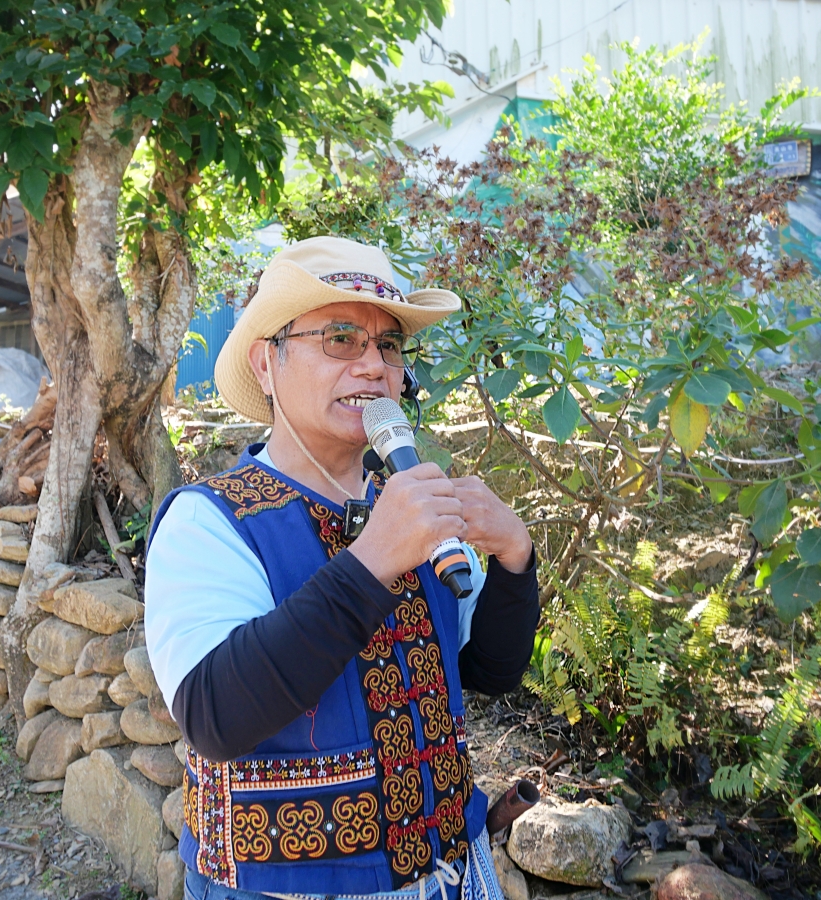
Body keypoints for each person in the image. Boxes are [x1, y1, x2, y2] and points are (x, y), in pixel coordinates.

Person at [144, 236, 541, 900]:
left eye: (388, 346)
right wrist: (373, 561)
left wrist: (515, 560)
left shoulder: (412, 504)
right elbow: (213, 716)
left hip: (451, 872)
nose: (373, 367)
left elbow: (489, 673)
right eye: (339, 338)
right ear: (265, 365)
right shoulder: (208, 520)